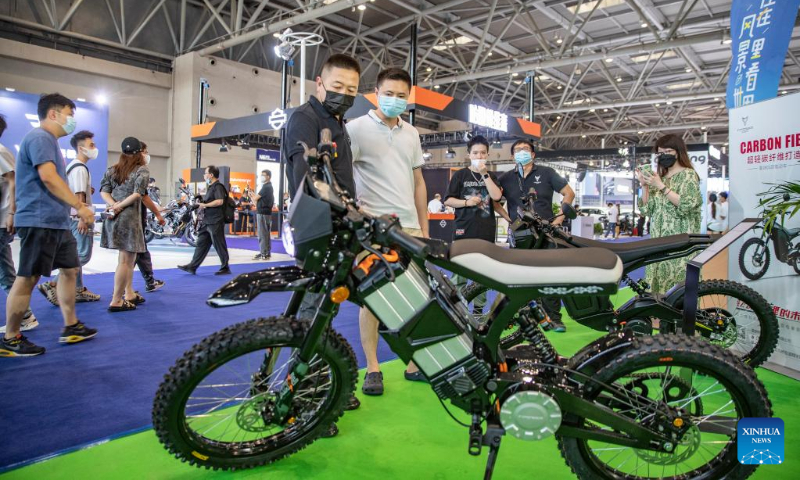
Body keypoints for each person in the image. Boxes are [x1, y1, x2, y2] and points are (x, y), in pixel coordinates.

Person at [283, 53, 362, 437]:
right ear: (319, 83)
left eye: (352, 89)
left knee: (326, 310)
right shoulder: (306, 118)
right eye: (337, 87)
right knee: (311, 315)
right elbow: (309, 177)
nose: (344, 94)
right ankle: (306, 399)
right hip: (317, 228)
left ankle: (327, 383)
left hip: (337, 227)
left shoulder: (336, 123)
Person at [347, 67, 429, 395]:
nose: (395, 100)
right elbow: (342, 177)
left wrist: (424, 227)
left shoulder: (412, 133)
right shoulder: (355, 129)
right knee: (372, 300)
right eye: (389, 93)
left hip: (409, 227)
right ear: (376, 93)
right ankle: (373, 366)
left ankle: (411, 362)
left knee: (415, 298)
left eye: (401, 95)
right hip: (373, 230)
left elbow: (419, 183)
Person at [2, 93, 97, 356]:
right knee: (27, 278)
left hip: (56, 222)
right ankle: (10, 338)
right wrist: (79, 207)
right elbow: (47, 177)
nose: (72, 120)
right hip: (39, 220)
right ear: (53, 114)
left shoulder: (50, 141)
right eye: (70, 114)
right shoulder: (40, 137)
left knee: (70, 269)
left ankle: (71, 325)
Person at [495, 138, 575, 332]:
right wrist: (508, 218)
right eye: (517, 150)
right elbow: (494, 200)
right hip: (519, 235)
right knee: (519, 276)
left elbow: (569, 193)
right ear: (512, 156)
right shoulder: (505, 178)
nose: (521, 152)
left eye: (525, 149)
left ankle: (554, 319)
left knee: (549, 275)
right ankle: (526, 317)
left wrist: (558, 220)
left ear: (532, 154)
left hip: (546, 232)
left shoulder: (547, 173)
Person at [37, 130, 102, 306]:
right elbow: (79, 195)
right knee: (81, 256)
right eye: (91, 145)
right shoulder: (80, 168)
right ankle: (53, 284)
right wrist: (82, 217)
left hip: (70, 217)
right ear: (81, 148)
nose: (94, 148)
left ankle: (78, 290)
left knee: (76, 254)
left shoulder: (72, 166)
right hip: (78, 218)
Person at [636, 134, 702, 294]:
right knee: (656, 295)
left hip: (679, 247)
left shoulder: (688, 175)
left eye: (667, 151)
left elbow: (688, 204)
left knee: (679, 293)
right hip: (658, 246)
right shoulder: (659, 178)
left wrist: (661, 186)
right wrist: (644, 186)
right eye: (659, 153)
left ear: (678, 152)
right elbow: (646, 210)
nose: (663, 155)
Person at [444, 135, 502, 316]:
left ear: (488, 155)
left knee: (482, 275)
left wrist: (485, 173)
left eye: (483, 153)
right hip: (463, 230)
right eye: (475, 153)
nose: (479, 156)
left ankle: (478, 311)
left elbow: (496, 197)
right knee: (460, 272)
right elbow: (449, 200)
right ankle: (456, 309)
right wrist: (466, 203)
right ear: (469, 154)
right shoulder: (460, 175)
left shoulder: (491, 176)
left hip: (486, 231)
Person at [100, 137, 151, 312]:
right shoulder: (142, 171)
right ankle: (116, 300)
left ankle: (128, 294)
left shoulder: (113, 170)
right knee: (126, 262)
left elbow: (104, 191)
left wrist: (113, 205)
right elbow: (138, 194)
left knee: (124, 260)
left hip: (114, 218)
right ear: (139, 153)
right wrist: (120, 206)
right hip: (129, 219)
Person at [0, 114, 38, 334]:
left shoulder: (1, 151)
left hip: (2, 220)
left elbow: (13, 180)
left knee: (5, 272)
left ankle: (24, 315)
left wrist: (13, 211)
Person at [178, 165, 231, 275]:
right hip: (207, 221)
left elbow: (219, 201)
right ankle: (192, 266)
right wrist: (201, 203)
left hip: (216, 220)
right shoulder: (211, 187)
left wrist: (204, 205)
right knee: (201, 243)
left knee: (219, 244)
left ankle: (225, 267)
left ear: (211, 175)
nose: (204, 175)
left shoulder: (218, 187)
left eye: (205, 173)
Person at [135, 143, 165, 293]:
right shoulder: (141, 171)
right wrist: (158, 213)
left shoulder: (119, 170)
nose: (147, 154)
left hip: (134, 220)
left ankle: (149, 281)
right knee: (129, 259)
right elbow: (143, 197)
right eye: (145, 151)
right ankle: (123, 292)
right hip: (134, 220)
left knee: (140, 254)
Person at [251, 170, 274, 260]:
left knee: (262, 234)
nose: (261, 177)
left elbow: (256, 198)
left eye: (263, 175)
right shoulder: (268, 187)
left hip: (263, 213)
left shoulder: (266, 187)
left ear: (268, 176)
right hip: (265, 212)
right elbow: (256, 201)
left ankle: (263, 253)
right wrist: (252, 195)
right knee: (266, 234)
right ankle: (266, 252)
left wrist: (252, 195)